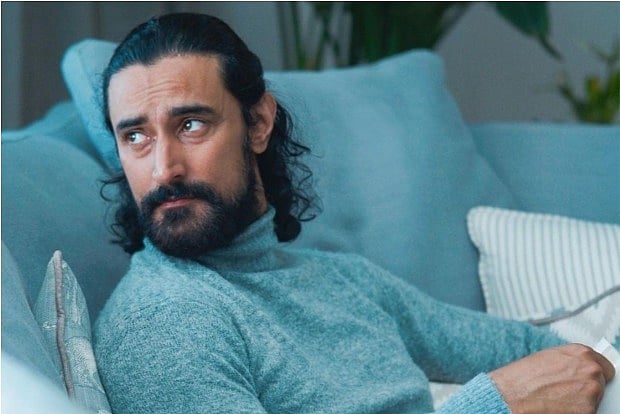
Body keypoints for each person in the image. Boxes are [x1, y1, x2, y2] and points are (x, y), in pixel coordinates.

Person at [94, 13, 614, 414]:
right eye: (135, 136)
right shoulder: (163, 322)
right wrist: (493, 406)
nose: (163, 168)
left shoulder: (339, 279)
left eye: (190, 125)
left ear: (258, 123)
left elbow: (529, 349)